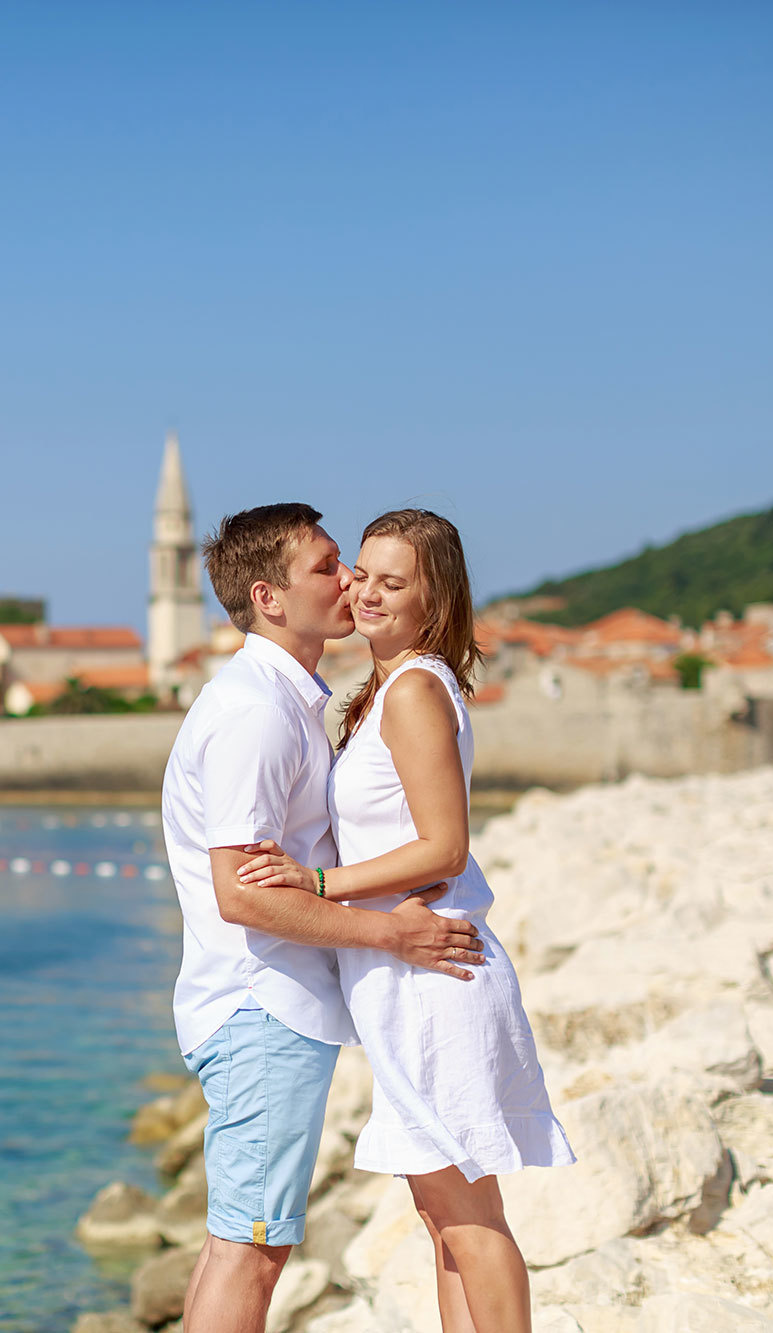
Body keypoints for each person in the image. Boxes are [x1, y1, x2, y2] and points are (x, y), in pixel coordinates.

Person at [238, 508, 574, 1333]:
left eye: (395, 582)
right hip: (405, 980)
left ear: (435, 599)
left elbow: (445, 846)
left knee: (469, 1219)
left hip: (437, 978)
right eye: (362, 572)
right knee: (441, 1217)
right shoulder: (388, 690)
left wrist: (321, 881)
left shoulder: (417, 688)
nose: (367, 591)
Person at [161, 503, 485, 1333]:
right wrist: (391, 931)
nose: (348, 581)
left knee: (240, 1242)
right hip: (261, 1004)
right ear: (269, 597)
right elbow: (243, 893)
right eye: (327, 565)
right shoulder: (257, 715)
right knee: (254, 1248)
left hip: (270, 1006)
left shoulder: (291, 701)